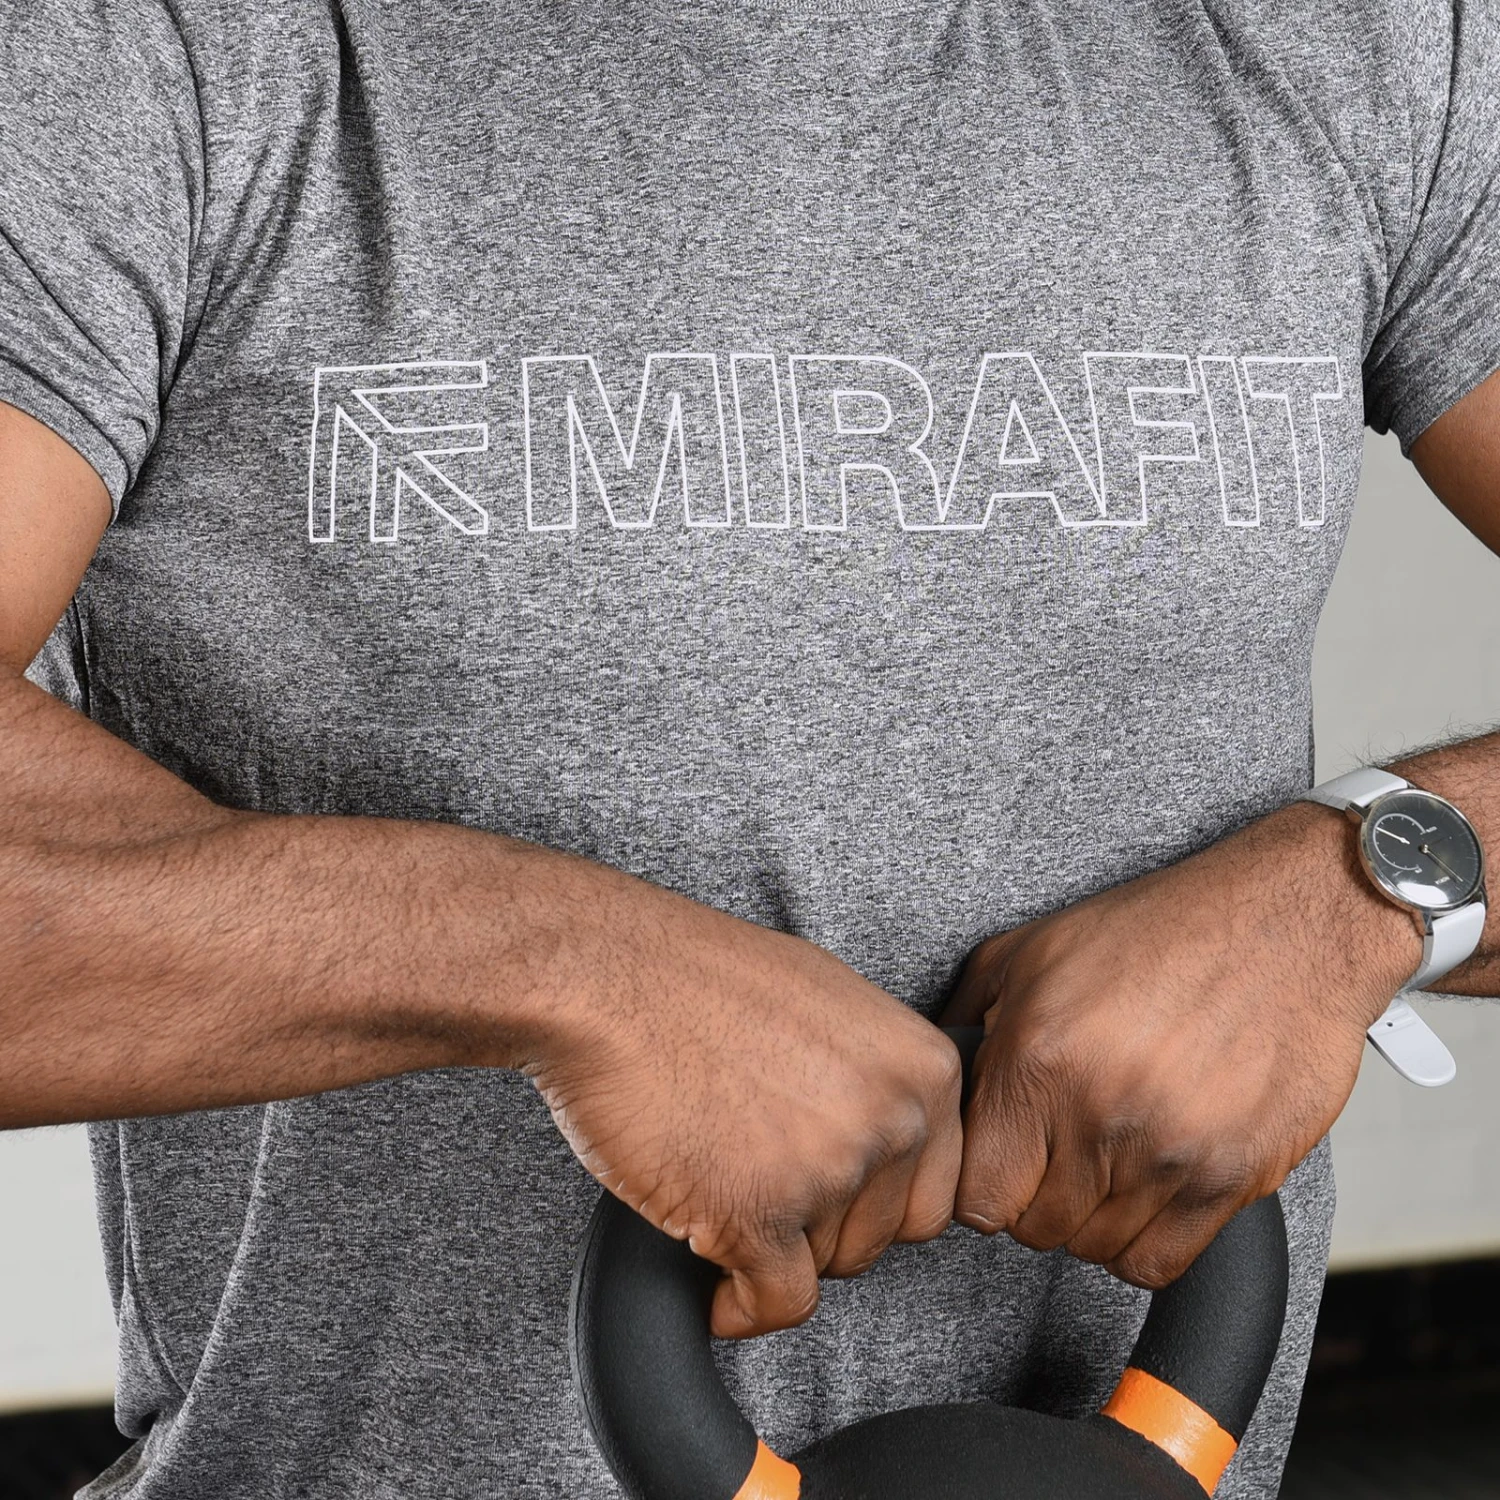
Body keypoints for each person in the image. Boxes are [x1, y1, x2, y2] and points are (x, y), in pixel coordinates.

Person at [1, 0, 1497, 1495]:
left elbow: (1373, 891)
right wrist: (562, 968)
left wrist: (1356, 895)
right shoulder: (149, 54)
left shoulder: (1355, 41)